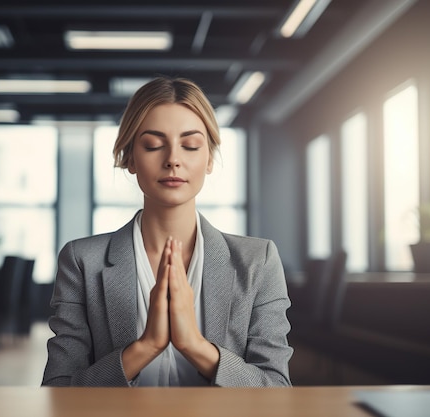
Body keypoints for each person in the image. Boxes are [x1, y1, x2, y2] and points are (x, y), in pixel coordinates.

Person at [42, 77, 293, 387]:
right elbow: (57, 390)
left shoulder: (258, 261)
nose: (173, 159)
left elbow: (277, 390)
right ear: (129, 157)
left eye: (190, 145)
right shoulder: (82, 261)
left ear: (210, 158)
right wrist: (144, 347)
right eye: (153, 145)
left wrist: (196, 347)